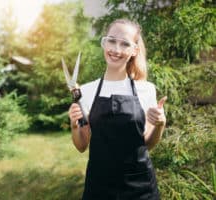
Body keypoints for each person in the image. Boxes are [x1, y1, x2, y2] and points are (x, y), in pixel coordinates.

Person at [68, 19, 166, 199]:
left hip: (140, 188)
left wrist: (160, 124)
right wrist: (74, 125)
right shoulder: (86, 91)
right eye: (112, 41)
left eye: (125, 44)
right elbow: (81, 145)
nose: (116, 49)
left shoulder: (146, 89)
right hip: (99, 187)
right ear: (104, 42)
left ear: (134, 50)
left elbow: (148, 144)